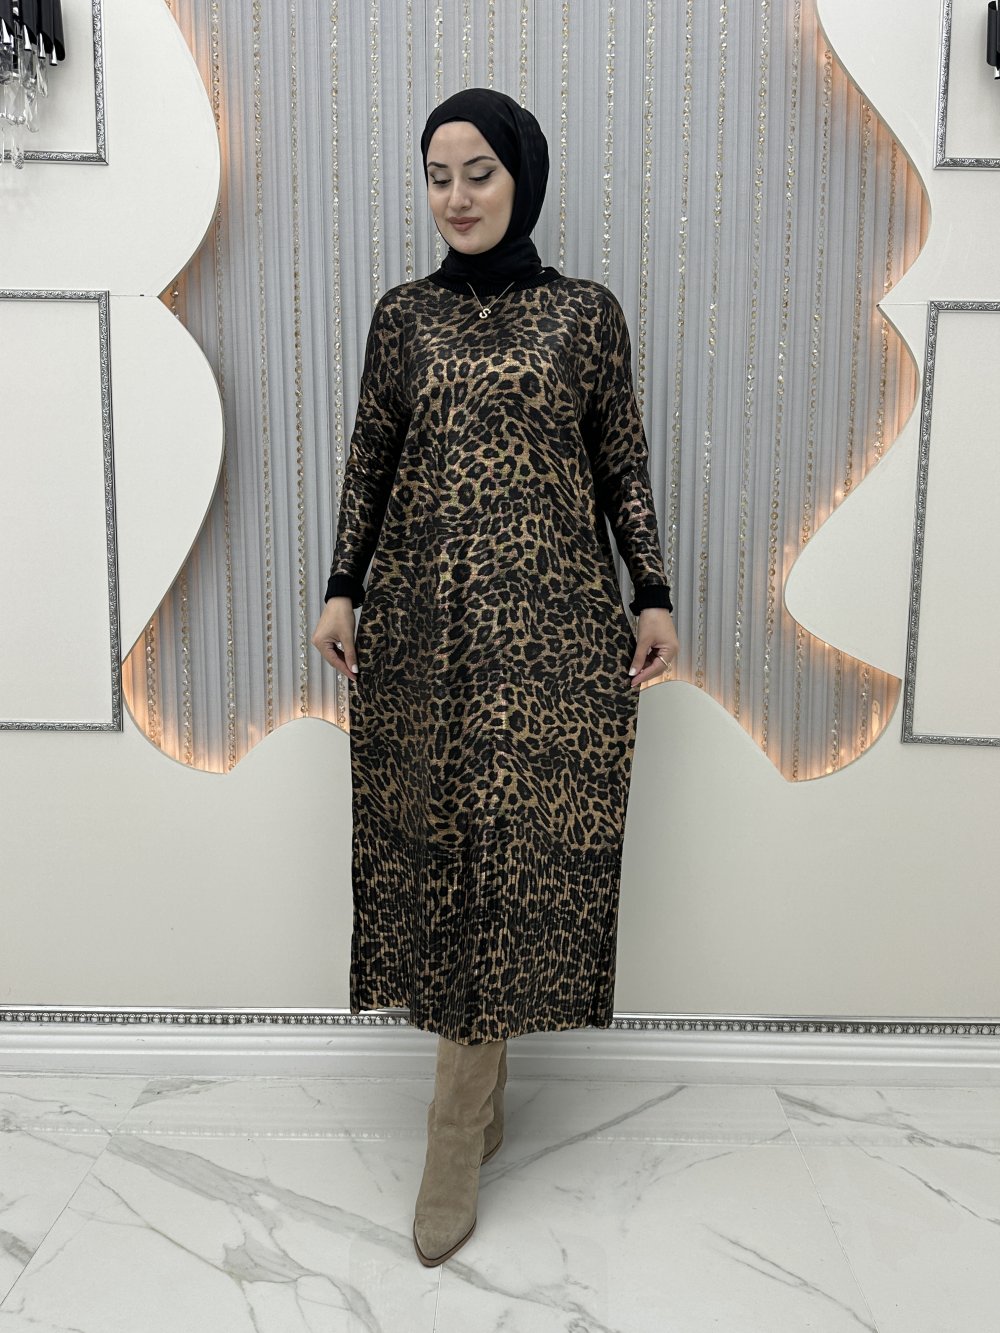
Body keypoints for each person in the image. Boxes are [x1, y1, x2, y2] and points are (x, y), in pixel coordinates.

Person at [311, 87, 679, 1267]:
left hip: (552, 630)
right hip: (424, 630)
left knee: (513, 851)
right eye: (437, 175)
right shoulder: (403, 317)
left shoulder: (584, 314)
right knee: (450, 851)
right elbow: (372, 457)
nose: (456, 196)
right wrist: (342, 585)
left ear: (522, 175)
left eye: (478, 171)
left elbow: (619, 460)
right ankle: (478, 1096)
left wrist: (654, 592)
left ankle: (453, 1131)